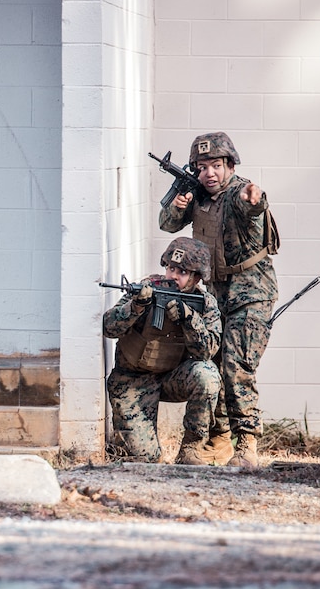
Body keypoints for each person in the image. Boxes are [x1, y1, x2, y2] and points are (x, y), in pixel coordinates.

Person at [158, 132, 278, 468]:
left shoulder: (239, 191)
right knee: (213, 363)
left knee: (237, 365)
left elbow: (253, 205)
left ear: (229, 165)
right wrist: (177, 206)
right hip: (213, 295)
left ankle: (247, 444)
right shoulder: (196, 195)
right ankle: (219, 439)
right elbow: (167, 225)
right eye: (202, 167)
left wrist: (255, 199)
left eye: (216, 166)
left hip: (250, 292)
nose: (209, 173)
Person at [103, 237, 222, 465]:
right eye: (171, 268)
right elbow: (108, 328)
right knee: (142, 460)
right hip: (132, 380)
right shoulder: (147, 289)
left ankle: (191, 450)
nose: (174, 276)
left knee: (207, 375)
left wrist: (190, 319)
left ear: (197, 277)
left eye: (183, 272)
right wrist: (136, 306)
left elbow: (207, 351)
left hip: (172, 378)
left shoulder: (204, 303)